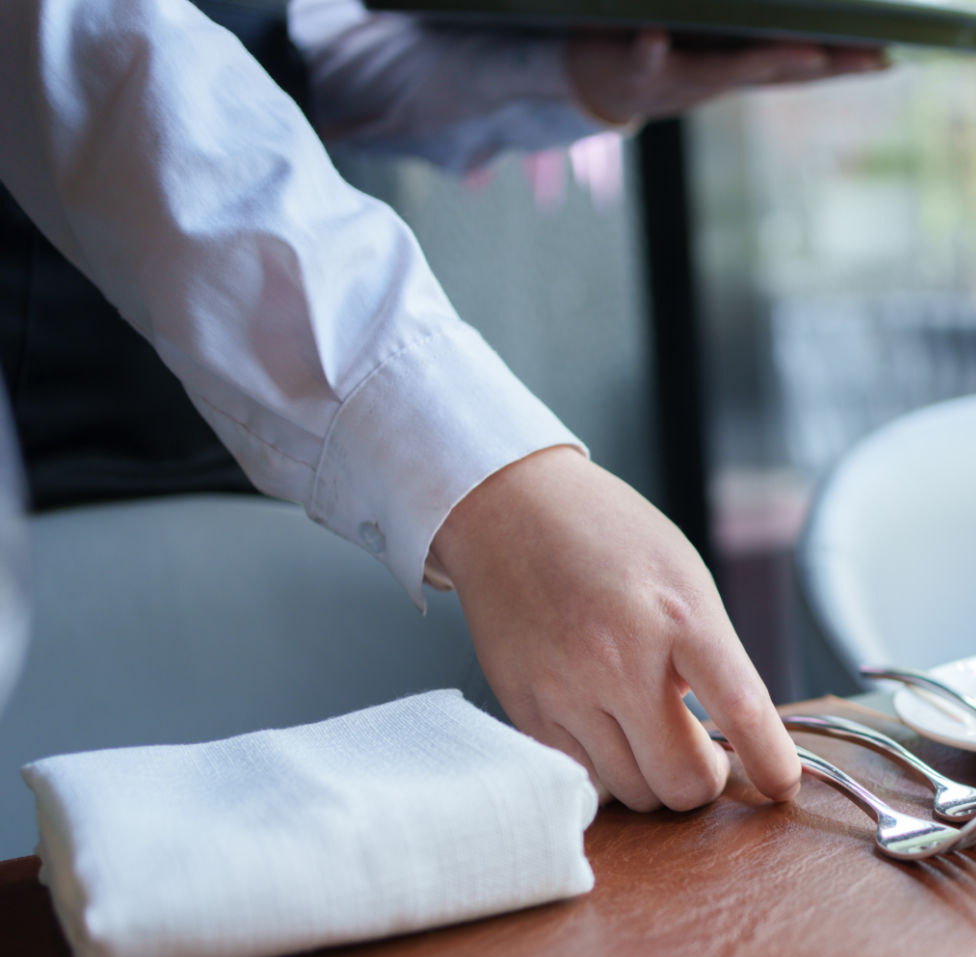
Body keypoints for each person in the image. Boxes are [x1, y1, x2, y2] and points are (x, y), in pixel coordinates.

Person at [0, 0, 882, 812]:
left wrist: (571, 73)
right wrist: (498, 485)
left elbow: (286, 40)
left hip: (275, 437)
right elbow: (84, 48)